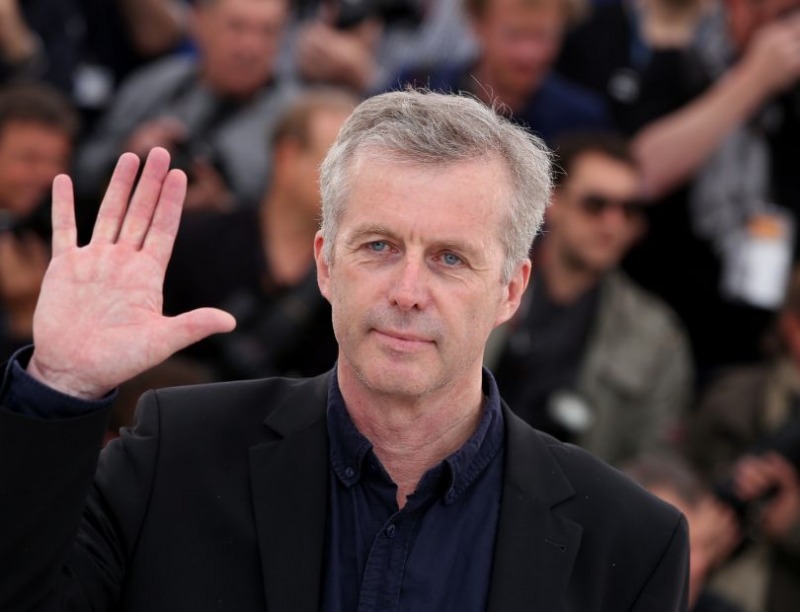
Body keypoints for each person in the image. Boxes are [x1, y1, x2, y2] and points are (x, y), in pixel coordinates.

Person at [0, 91, 688, 611]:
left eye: (450, 258)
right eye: (379, 247)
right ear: (326, 264)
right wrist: (61, 384)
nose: (409, 291)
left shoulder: (627, 542)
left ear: (511, 289)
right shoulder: (173, 454)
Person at [491, 131, 693, 466]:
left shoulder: (658, 337)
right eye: (595, 205)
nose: (613, 224)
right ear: (551, 202)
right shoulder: (484, 284)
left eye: (628, 210)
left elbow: (652, 464)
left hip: (574, 508)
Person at [162, 88, 357, 380]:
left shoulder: (356, 271)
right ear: (287, 155)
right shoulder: (196, 242)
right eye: (340, 162)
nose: (354, 180)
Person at [74, 0, 295, 213]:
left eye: (268, 31)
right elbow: (81, 169)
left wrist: (227, 210)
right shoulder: (153, 85)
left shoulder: (297, 117)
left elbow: (307, 216)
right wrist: (128, 155)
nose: (250, 46)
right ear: (198, 22)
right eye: (236, 27)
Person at [391, 0, 611, 145]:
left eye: (543, 36)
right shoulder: (418, 89)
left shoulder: (582, 120)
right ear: (477, 26)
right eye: (514, 35)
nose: (529, 53)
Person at [0, 83, 79, 360]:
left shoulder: (43, 223)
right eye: (29, 159)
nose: (49, 175)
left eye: (58, 160)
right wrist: (24, 315)